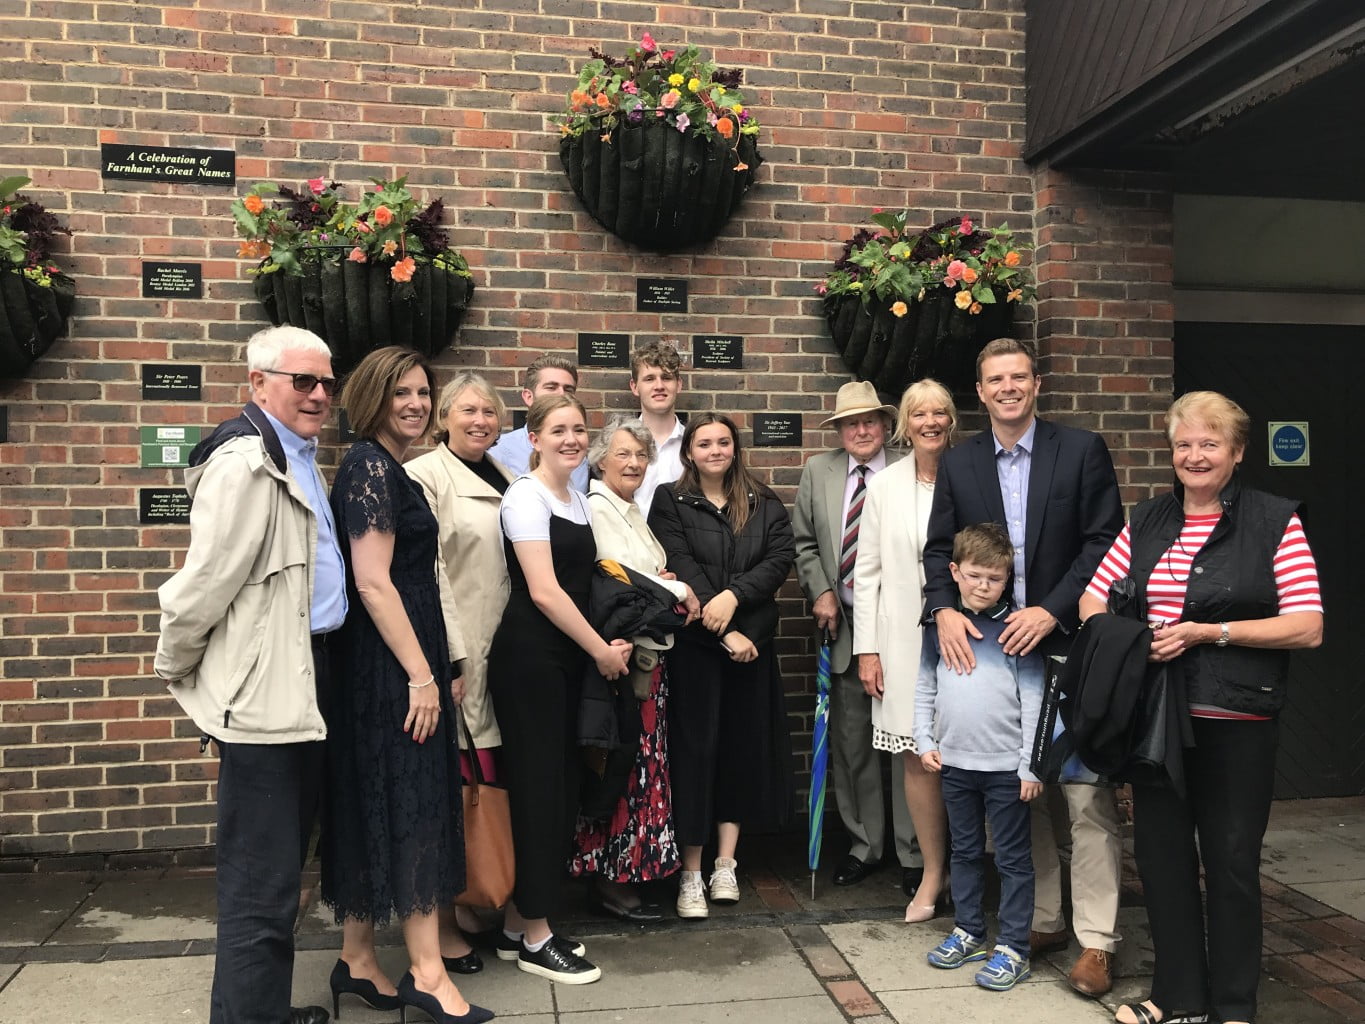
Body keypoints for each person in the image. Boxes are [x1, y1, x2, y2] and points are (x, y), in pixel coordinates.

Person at [1080, 391, 1323, 1024]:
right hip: (1158, 717)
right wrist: (1133, 639)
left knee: (1232, 861)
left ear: (1237, 453)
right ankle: (1178, 997)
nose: (1195, 455)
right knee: (1161, 860)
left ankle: (1234, 1005)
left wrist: (1207, 632)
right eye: (1184, 444)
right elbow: (1091, 601)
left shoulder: (1274, 520)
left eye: (1210, 444)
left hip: (1237, 718)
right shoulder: (1148, 518)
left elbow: (1306, 625)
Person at [922, 337, 1125, 998]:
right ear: (978, 392)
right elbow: (937, 551)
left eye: (1017, 377)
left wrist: (1050, 610)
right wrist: (944, 611)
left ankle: (1096, 940)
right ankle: (1040, 919)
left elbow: (1103, 541)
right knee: (1021, 797)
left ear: (1035, 384)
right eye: (993, 379)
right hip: (989, 649)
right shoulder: (959, 463)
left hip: (1065, 645)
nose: (1006, 387)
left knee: (1083, 795)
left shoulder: (1081, 450)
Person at [154, 325, 343, 1024]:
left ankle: (255, 1011)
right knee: (260, 883)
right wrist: (180, 669)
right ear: (258, 384)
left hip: (308, 678)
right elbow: (201, 586)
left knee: (281, 871)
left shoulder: (296, 455)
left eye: (326, 381)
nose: (320, 394)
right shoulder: (246, 465)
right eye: (303, 381)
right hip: (267, 699)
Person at [323, 347, 491, 1024]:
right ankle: (426, 972)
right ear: (372, 398)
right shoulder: (369, 464)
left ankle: (357, 958)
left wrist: (437, 664)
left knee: (381, 802)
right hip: (390, 672)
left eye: (424, 393)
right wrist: (421, 673)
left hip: (400, 663)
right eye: (403, 394)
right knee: (415, 808)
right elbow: (371, 581)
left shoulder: (387, 466)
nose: (418, 404)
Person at [486, 394, 632, 984]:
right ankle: (537, 939)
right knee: (540, 792)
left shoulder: (575, 497)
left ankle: (520, 924)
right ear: (534, 437)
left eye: (579, 429)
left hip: (567, 660)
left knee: (559, 787)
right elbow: (544, 590)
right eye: (559, 430)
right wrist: (600, 648)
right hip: (531, 660)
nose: (572, 438)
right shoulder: (526, 495)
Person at [648, 413, 796, 920]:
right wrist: (721, 624)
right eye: (705, 443)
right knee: (694, 752)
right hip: (696, 647)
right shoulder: (669, 499)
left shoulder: (763, 500)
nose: (715, 450)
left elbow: (778, 560)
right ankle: (690, 871)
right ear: (689, 451)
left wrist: (735, 602)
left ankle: (725, 864)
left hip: (751, 644)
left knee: (738, 751)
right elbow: (677, 563)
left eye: (724, 442)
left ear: (736, 448)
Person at [569, 414, 701, 922]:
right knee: (624, 770)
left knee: (642, 769)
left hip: (650, 660)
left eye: (641, 455)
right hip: (623, 662)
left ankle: (626, 874)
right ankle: (611, 878)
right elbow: (620, 583)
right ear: (600, 459)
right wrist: (678, 590)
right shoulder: (599, 508)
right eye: (623, 453)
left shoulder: (630, 510)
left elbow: (649, 577)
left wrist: (661, 582)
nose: (634, 463)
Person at [405, 372, 515, 972]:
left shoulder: (510, 477)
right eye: (468, 410)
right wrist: (450, 656)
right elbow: (432, 576)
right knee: (453, 792)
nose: (480, 420)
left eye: (490, 412)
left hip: (508, 655)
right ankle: (443, 923)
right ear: (444, 416)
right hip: (462, 657)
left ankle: (476, 908)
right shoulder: (427, 477)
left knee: (489, 788)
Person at [794, 379, 921, 895]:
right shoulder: (818, 471)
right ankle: (865, 845)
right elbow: (804, 543)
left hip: (905, 631)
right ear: (839, 430)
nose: (861, 430)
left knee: (908, 745)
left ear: (887, 426)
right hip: (844, 631)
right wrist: (821, 590)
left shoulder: (911, 469)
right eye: (851, 423)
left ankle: (915, 853)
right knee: (854, 748)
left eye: (870, 421)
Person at [916, 523, 1045, 992]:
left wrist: (1030, 764)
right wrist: (924, 740)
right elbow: (925, 686)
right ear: (954, 572)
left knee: (1012, 859)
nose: (984, 586)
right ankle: (968, 930)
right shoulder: (939, 625)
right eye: (973, 576)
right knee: (964, 851)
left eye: (994, 578)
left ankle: (1013, 946)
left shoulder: (1016, 629)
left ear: (1007, 578)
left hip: (1006, 769)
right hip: (954, 763)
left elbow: (1034, 699)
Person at [853, 379, 957, 921]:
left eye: (940, 412)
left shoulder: (970, 474)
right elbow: (866, 572)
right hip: (900, 642)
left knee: (968, 752)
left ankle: (970, 870)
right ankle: (932, 874)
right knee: (918, 759)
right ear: (905, 424)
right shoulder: (886, 485)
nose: (930, 421)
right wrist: (867, 650)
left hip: (966, 638)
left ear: (952, 421)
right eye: (920, 414)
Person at [488, 353, 589, 492]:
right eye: (551, 387)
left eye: (568, 389)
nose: (561, 395)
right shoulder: (499, 451)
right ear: (528, 397)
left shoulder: (577, 454)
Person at [629, 340, 686, 519]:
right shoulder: (618, 445)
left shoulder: (694, 445)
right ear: (634, 387)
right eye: (649, 379)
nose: (659, 386)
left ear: (679, 384)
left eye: (666, 377)